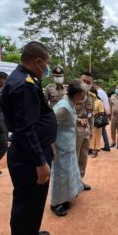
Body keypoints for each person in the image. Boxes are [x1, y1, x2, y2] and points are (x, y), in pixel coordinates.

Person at [2, 41, 57, 235]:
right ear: (38, 62)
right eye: (47, 64)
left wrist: (47, 144)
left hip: (35, 151)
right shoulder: (23, 84)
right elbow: (25, 129)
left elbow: (35, 120)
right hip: (28, 157)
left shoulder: (27, 79)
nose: (47, 68)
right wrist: (40, 161)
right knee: (26, 203)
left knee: (35, 201)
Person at [50, 80, 86, 216]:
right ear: (77, 95)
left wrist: (78, 121)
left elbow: (68, 119)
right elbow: (51, 125)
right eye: (83, 94)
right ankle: (55, 203)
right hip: (60, 147)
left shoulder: (70, 104)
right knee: (60, 176)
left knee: (68, 174)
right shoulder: (64, 106)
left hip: (68, 145)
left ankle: (64, 198)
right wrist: (51, 145)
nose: (84, 97)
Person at [76, 71, 94, 190]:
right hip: (74, 128)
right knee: (74, 156)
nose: (86, 84)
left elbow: (90, 114)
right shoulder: (73, 94)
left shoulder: (91, 97)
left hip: (86, 128)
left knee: (83, 156)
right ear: (79, 80)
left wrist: (91, 129)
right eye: (84, 81)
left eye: (88, 82)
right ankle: (72, 182)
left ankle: (80, 180)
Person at [94, 81, 111, 152]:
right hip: (104, 113)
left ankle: (96, 147)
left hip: (100, 114)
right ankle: (106, 146)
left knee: (98, 131)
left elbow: (101, 104)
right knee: (103, 131)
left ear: (95, 85)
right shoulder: (103, 92)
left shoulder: (99, 93)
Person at [89, 87, 104, 158]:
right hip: (89, 120)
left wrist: (95, 114)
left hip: (97, 120)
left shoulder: (99, 101)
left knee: (96, 135)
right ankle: (90, 148)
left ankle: (96, 150)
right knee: (91, 135)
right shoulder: (89, 101)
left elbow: (101, 112)